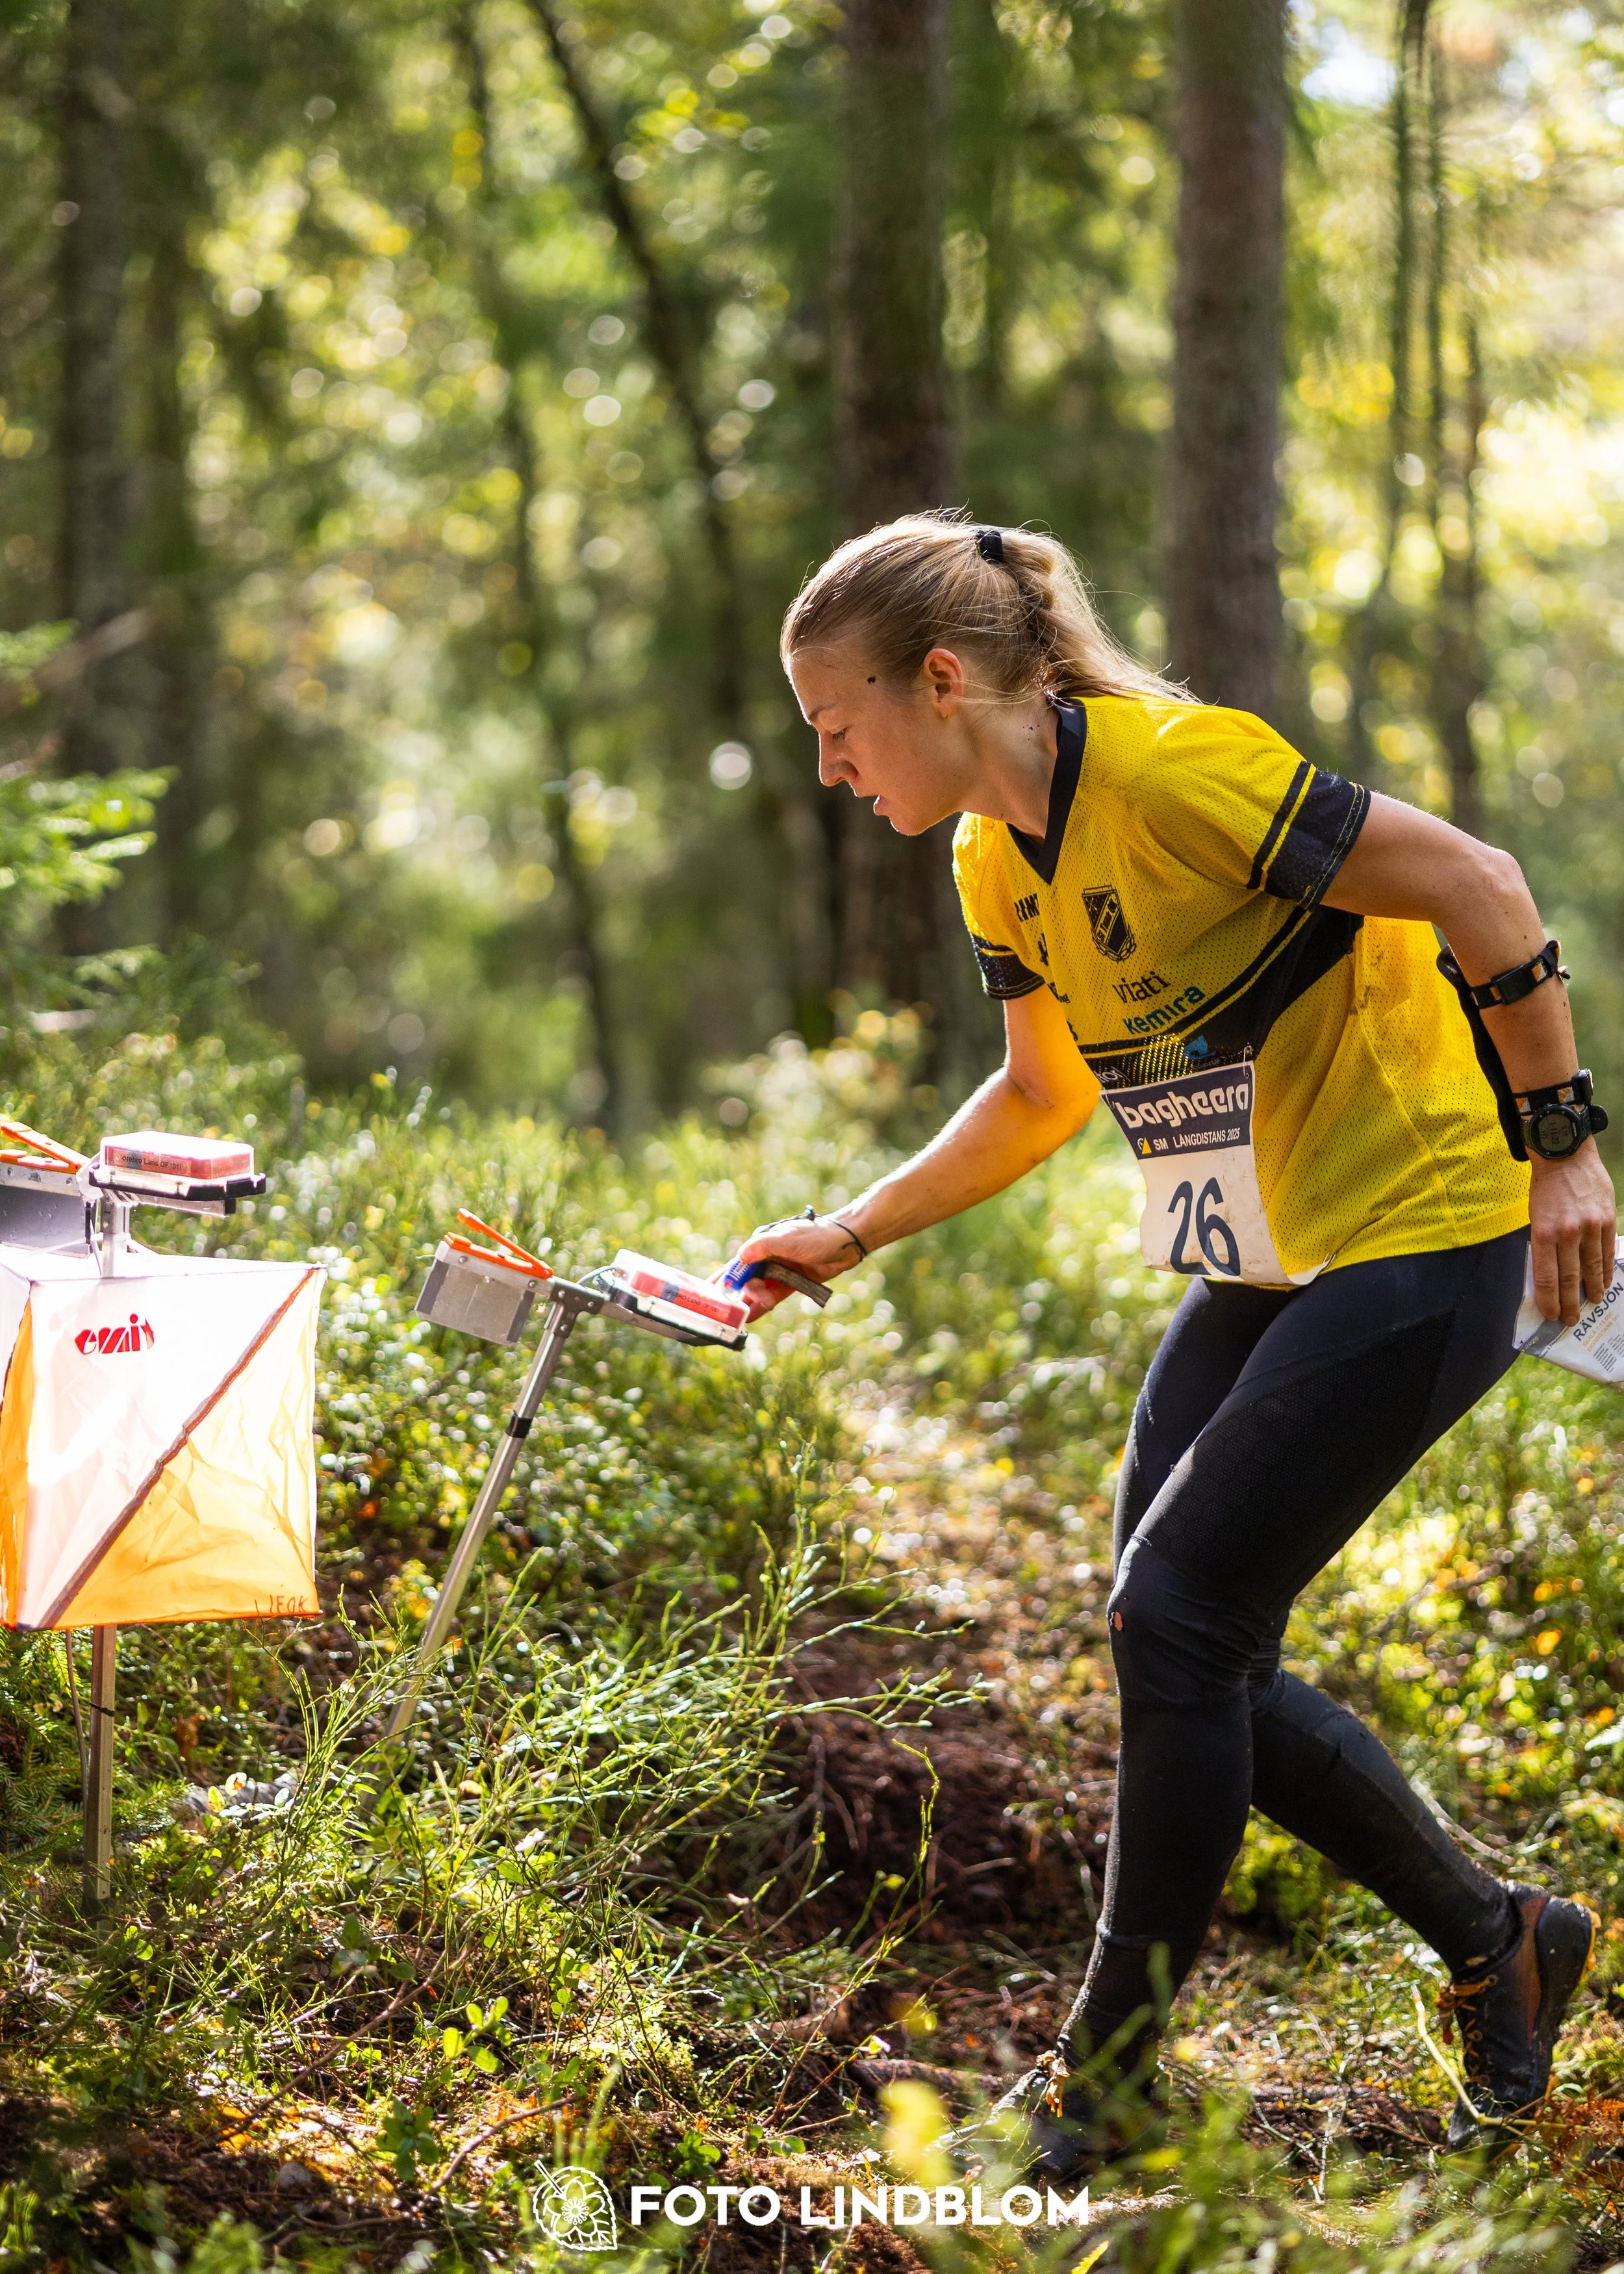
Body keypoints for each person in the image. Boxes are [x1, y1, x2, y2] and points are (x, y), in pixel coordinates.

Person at [731, 511, 1615, 2173]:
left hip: (1433, 1222)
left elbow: (1475, 885)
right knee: (1179, 1633)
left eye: (839, 729)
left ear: (937, 680)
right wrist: (848, 1232)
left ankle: (1108, 2080)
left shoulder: (1173, 774)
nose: (834, 769)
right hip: (1273, 1251)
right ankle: (1501, 1939)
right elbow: (1039, 1092)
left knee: (1177, 1614)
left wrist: (1564, 1141)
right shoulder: (994, 850)